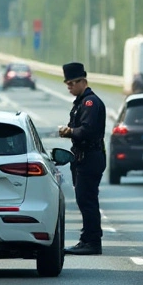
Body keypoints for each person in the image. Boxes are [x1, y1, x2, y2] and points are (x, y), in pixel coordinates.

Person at [57, 61, 107, 255]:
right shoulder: (80, 102)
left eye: (72, 83)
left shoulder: (90, 103)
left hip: (90, 156)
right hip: (83, 157)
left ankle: (92, 241)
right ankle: (87, 238)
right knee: (84, 199)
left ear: (82, 81)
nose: (69, 87)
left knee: (87, 200)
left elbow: (87, 130)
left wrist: (70, 132)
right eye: (67, 84)